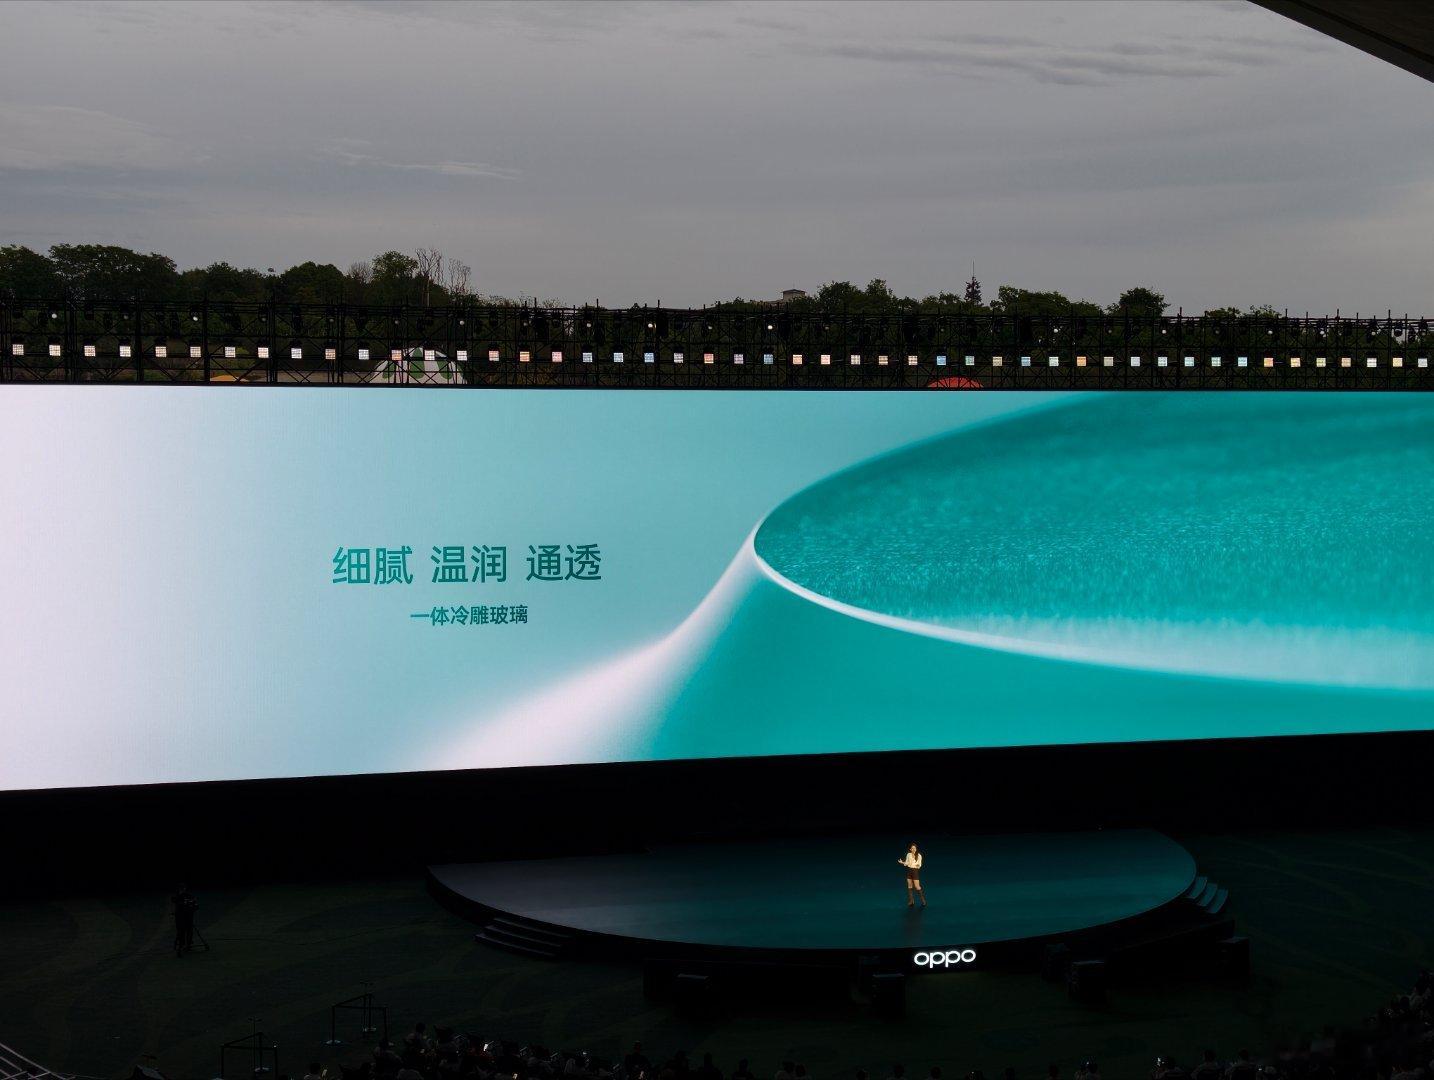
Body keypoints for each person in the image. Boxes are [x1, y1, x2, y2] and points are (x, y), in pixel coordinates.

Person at [171, 883, 197, 957]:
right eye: (181, 888)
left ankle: (188, 944)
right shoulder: (176, 896)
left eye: (183, 888)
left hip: (188, 915)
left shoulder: (189, 895)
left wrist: (192, 904)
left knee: (189, 930)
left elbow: (194, 904)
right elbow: (174, 900)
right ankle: (181, 944)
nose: (182, 889)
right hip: (180, 916)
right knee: (181, 930)